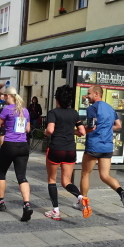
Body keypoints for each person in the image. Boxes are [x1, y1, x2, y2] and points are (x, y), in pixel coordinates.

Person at [79, 85, 124, 216]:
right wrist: (106, 129)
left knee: (85, 174)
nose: (87, 96)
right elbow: (118, 125)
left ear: (96, 94)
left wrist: (77, 131)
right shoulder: (110, 108)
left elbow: (91, 127)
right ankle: (122, 193)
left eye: (89, 93)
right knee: (105, 176)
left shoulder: (92, 108)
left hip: (94, 145)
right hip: (107, 146)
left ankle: (83, 204)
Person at [43, 85, 86, 221]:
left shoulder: (53, 112)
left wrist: (45, 133)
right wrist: (70, 131)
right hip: (70, 150)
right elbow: (82, 132)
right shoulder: (74, 113)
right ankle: (80, 197)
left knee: (52, 180)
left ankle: (56, 211)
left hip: (56, 148)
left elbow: (50, 130)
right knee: (66, 181)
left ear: (57, 99)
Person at [0, 87, 33, 222]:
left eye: (5, 96)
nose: (4, 98)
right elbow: (28, 129)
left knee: (1, 173)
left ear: (8, 96)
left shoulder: (7, 109)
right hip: (23, 146)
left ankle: (0, 201)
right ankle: (27, 204)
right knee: (21, 176)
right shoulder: (25, 110)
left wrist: (4, 125)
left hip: (9, 145)